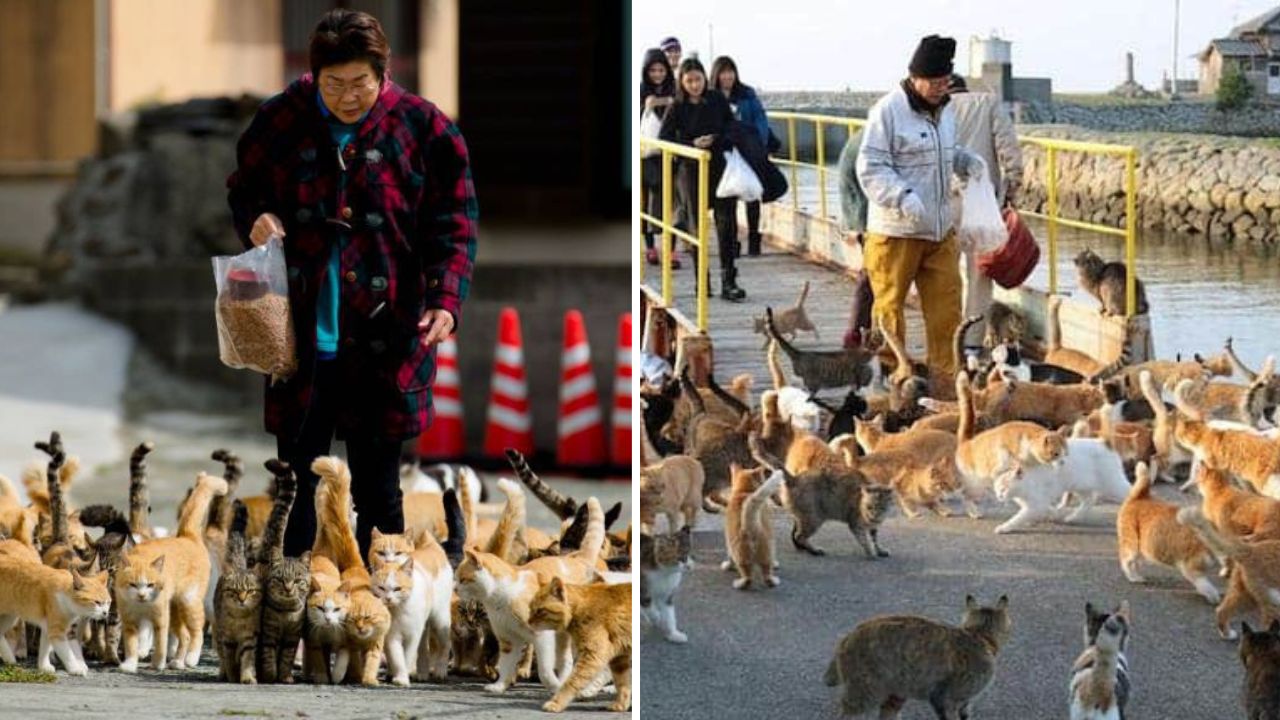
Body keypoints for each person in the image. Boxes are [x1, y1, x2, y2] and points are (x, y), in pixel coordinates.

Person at [226, 8, 477, 560]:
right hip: (298, 338)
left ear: (383, 73)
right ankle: (292, 616)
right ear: (314, 76)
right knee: (294, 489)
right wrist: (256, 219)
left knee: (380, 495)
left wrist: (445, 302)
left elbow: (454, 226)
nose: (346, 96)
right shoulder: (281, 120)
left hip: (387, 337)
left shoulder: (425, 128)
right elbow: (244, 189)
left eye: (359, 83)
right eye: (332, 84)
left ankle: (378, 622)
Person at [856, 35, 976, 377]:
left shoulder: (947, 111)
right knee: (890, 310)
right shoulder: (887, 111)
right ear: (915, 77)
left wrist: (965, 161)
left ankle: (945, 382)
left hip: (939, 229)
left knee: (947, 310)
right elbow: (870, 167)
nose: (942, 89)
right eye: (936, 82)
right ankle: (896, 380)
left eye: (946, 82)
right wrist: (902, 196)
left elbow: (946, 152)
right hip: (896, 232)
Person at [659, 57, 746, 301]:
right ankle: (702, 282)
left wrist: (717, 139)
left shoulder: (717, 99)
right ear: (682, 82)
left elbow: (732, 127)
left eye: (698, 80)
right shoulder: (676, 106)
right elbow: (664, 139)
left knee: (726, 224)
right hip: (690, 170)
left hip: (719, 166)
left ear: (705, 79)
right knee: (696, 227)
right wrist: (691, 144)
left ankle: (729, 281)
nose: (695, 85)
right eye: (689, 81)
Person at [948, 73, 1024, 350]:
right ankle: (971, 344)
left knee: (942, 273)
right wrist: (1011, 190)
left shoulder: (933, 107)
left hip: (943, 202)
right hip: (982, 202)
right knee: (979, 275)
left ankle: (946, 338)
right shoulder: (988, 103)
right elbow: (1009, 151)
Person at [710, 55, 769, 256]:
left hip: (748, 149)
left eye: (730, 71)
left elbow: (760, 119)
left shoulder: (746, 94)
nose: (727, 76)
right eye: (723, 72)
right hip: (724, 153)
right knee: (730, 197)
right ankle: (732, 242)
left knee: (752, 194)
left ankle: (754, 239)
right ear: (716, 75)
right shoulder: (712, 96)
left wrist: (757, 142)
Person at [639, 48, 681, 268]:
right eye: (653, 70)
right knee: (646, 204)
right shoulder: (639, 91)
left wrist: (665, 101)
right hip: (646, 156)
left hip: (670, 154)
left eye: (661, 70)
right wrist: (647, 106)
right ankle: (650, 248)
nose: (657, 74)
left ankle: (672, 251)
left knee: (671, 204)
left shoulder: (674, 89)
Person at [836, 131, 874, 348]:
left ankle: (858, 331)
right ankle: (856, 332)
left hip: (858, 215)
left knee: (870, 276)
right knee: (870, 276)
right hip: (867, 218)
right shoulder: (869, 141)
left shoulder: (860, 137)